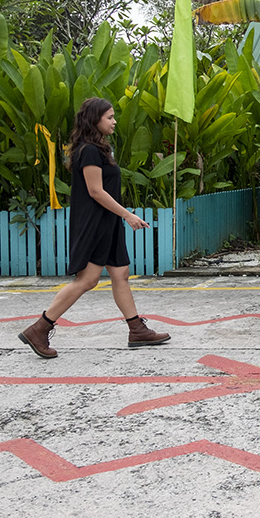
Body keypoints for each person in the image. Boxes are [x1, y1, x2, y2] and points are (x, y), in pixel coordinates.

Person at [18, 97, 170, 358]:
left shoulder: (99, 148)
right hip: (96, 223)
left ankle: (136, 329)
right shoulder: (88, 150)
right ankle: (40, 328)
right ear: (95, 120)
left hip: (107, 222)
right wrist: (128, 216)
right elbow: (96, 191)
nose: (114, 121)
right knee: (87, 280)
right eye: (109, 117)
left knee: (120, 273)